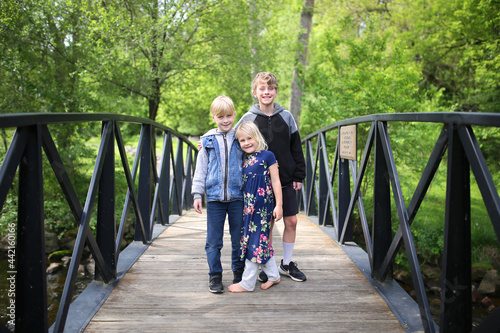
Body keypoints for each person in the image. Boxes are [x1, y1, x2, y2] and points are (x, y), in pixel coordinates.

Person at [236, 72, 307, 282]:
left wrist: (299, 174)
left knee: (291, 221)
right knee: (266, 225)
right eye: (262, 89)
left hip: (285, 179)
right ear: (255, 92)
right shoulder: (248, 118)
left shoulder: (286, 116)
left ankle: (286, 263)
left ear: (275, 91)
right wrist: (207, 140)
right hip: (260, 185)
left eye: (270, 88)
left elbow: (296, 147)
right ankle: (266, 264)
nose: (266, 92)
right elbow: (232, 139)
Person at [192, 95, 245, 293]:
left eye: (229, 116)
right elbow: (201, 168)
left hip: (237, 197)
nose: (225, 120)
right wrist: (198, 193)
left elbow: (253, 153)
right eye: (220, 116)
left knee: (239, 238)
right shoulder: (206, 140)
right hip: (214, 198)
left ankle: (239, 273)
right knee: (213, 241)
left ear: (234, 115)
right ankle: (215, 275)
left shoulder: (240, 136)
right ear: (213, 117)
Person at [228, 121, 282, 292]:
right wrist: (204, 143)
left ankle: (247, 283)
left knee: (255, 242)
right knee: (260, 241)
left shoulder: (268, 156)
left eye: (249, 138)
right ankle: (274, 276)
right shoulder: (243, 158)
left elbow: (275, 180)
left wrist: (279, 205)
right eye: (242, 140)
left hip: (263, 207)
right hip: (248, 207)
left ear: (257, 136)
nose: (246, 143)